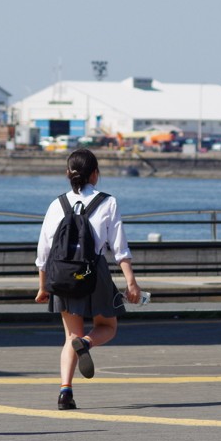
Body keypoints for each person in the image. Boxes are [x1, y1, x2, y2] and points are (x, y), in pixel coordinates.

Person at [35, 148, 141, 410]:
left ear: (67, 173)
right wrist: (131, 282)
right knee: (108, 326)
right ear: (95, 174)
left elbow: (43, 251)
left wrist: (42, 286)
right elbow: (119, 248)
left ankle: (65, 391)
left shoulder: (56, 204)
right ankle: (86, 343)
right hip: (94, 273)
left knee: (70, 334)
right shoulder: (108, 202)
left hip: (62, 276)